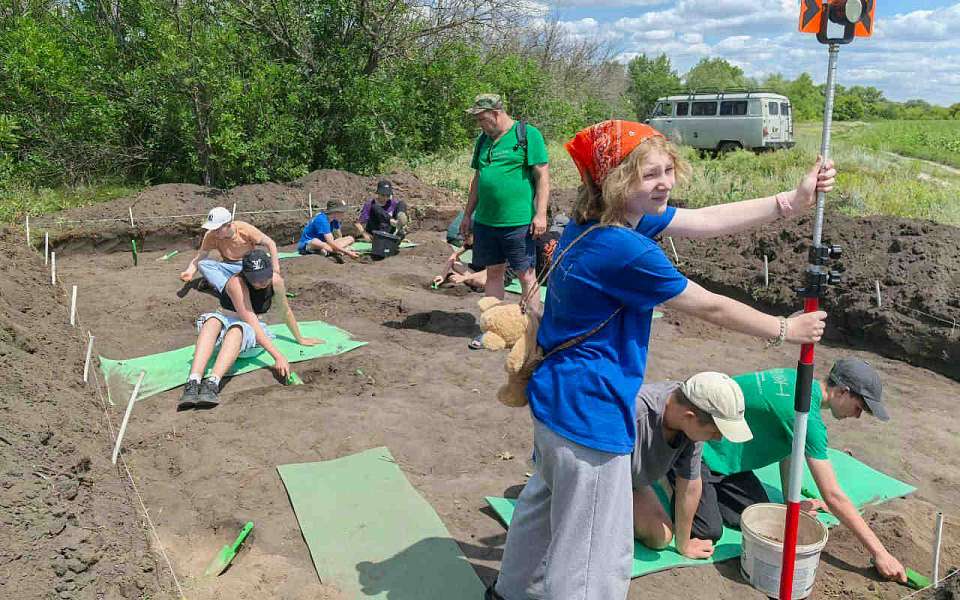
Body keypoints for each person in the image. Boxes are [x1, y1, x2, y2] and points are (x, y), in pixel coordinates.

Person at [488, 120, 834, 600]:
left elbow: (704, 220)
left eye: (668, 170)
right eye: (651, 174)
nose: (665, 183)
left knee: (541, 509)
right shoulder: (625, 249)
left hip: (556, 401)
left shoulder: (597, 221)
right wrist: (783, 329)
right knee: (593, 556)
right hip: (591, 413)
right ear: (617, 181)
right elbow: (707, 304)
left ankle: (508, 593)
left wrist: (790, 203)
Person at [665, 359, 906, 582]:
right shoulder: (807, 419)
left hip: (729, 459)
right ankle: (669, 475)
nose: (858, 416)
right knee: (707, 531)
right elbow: (833, 495)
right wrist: (880, 553)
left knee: (760, 519)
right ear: (842, 391)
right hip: (698, 445)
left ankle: (703, 489)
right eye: (859, 407)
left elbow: (790, 446)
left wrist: (792, 502)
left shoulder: (798, 382)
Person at [177, 249, 321, 410]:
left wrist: (299, 338)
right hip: (227, 330)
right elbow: (249, 317)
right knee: (212, 321)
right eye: (256, 279)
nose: (261, 282)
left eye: (264, 277)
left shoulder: (276, 281)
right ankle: (193, 381)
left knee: (237, 329)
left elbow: (284, 311)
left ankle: (212, 383)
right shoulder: (235, 283)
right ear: (245, 274)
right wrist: (278, 356)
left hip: (248, 339)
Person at [630, 373, 753, 559]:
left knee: (660, 538)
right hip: (600, 477)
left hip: (633, 480)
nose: (718, 438)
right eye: (714, 432)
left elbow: (690, 484)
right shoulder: (636, 413)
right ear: (689, 417)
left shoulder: (691, 419)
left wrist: (684, 544)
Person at [459, 94, 550, 326]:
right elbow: (478, 179)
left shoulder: (528, 135)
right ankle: (494, 324)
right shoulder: (483, 141)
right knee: (494, 273)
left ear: (496, 113)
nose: (480, 124)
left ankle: (530, 328)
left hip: (518, 222)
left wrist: (540, 215)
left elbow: (542, 177)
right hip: (487, 222)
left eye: (482, 118)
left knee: (526, 274)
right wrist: (468, 214)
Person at [179, 207, 284, 292]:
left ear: (228, 225)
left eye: (217, 229)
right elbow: (201, 256)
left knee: (261, 282)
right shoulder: (210, 235)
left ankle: (233, 283)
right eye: (212, 228)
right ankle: (228, 290)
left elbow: (270, 243)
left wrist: (275, 269)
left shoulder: (244, 229)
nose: (214, 232)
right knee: (203, 264)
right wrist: (190, 271)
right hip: (228, 266)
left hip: (249, 266)